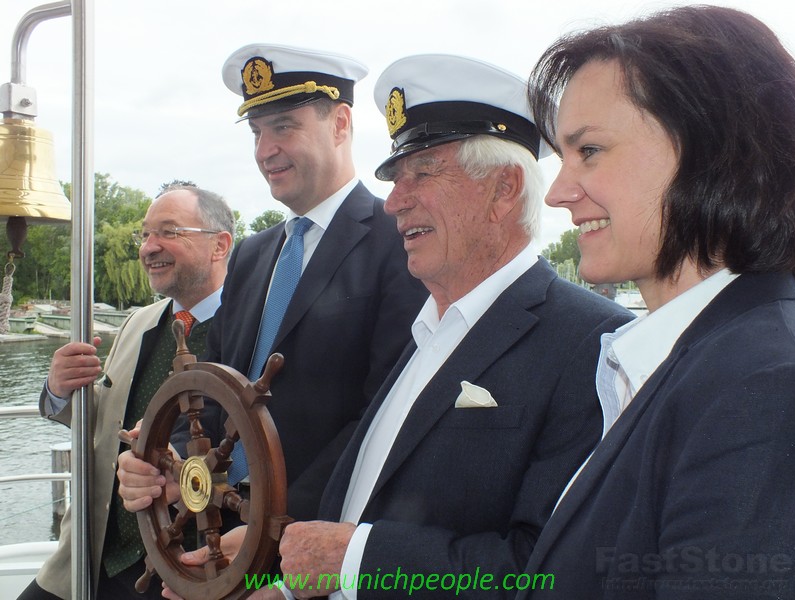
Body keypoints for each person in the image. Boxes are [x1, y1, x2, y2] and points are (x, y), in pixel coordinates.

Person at [166, 54, 633, 600]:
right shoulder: (428, 332)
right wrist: (287, 588)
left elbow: (557, 570)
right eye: (394, 178)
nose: (393, 202)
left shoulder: (596, 346)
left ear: (504, 190)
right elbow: (366, 505)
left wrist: (352, 561)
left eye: (423, 173)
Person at [519, 5, 795, 598]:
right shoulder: (709, 361)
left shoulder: (764, 388)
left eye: (589, 150)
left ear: (712, 151)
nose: (560, 193)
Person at [118, 45, 427, 528]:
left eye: (284, 126)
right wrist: (166, 459)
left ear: (341, 124)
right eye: (258, 132)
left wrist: (270, 527)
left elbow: (384, 416)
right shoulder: (251, 254)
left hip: (313, 540)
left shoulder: (400, 244)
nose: (264, 150)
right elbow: (214, 390)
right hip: (221, 530)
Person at [17, 184, 235, 599]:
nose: (149, 247)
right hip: (94, 551)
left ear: (219, 245)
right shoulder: (139, 322)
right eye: (145, 234)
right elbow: (111, 416)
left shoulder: (250, 329)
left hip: (183, 567)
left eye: (169, 232)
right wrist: (61, 389)